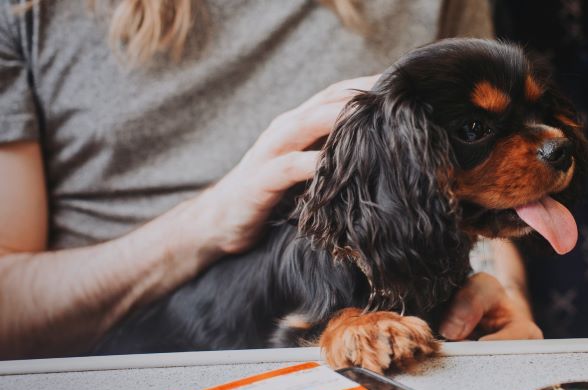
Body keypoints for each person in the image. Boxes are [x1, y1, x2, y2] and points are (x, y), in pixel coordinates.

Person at [0, 0, 544, 359]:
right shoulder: (26, 12)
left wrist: (498, 302)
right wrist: (213, 219)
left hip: (410, 337)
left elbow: (487, 169)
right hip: (126, 370)